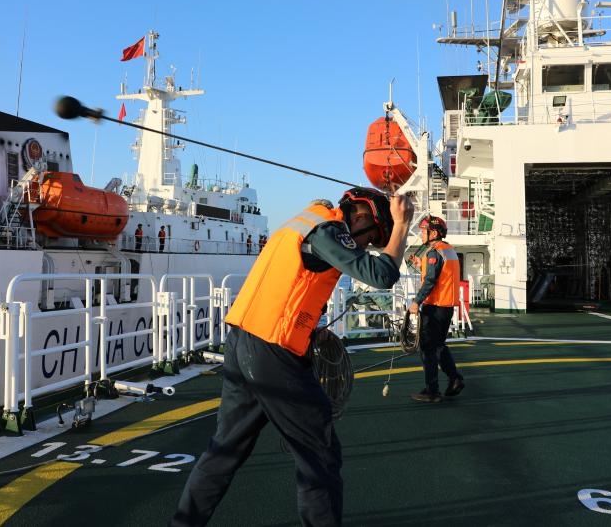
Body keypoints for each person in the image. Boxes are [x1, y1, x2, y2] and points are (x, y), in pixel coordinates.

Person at [171, 188, 414, 527]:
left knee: (224, 450)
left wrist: (308, 331)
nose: (364, 247)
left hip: (242, 340)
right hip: (273, 353)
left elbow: (288, 289)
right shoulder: (329, 229)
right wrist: (402, 224)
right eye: (370, 238)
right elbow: (382, 275)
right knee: (320, 455)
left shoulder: (301, 223)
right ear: (360, 216)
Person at [407, 215, 465, 403]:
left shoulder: (434, 252)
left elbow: (430, 280)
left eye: (424, 231)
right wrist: (420, 264)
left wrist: (416, 302)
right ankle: (455, 378)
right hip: (447, 307)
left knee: (428, 348)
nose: (421, 235)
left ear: (433, 233)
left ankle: (432, 391)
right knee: (439, 345)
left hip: (435, 307)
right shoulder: (448, 250)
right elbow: (441, 274)